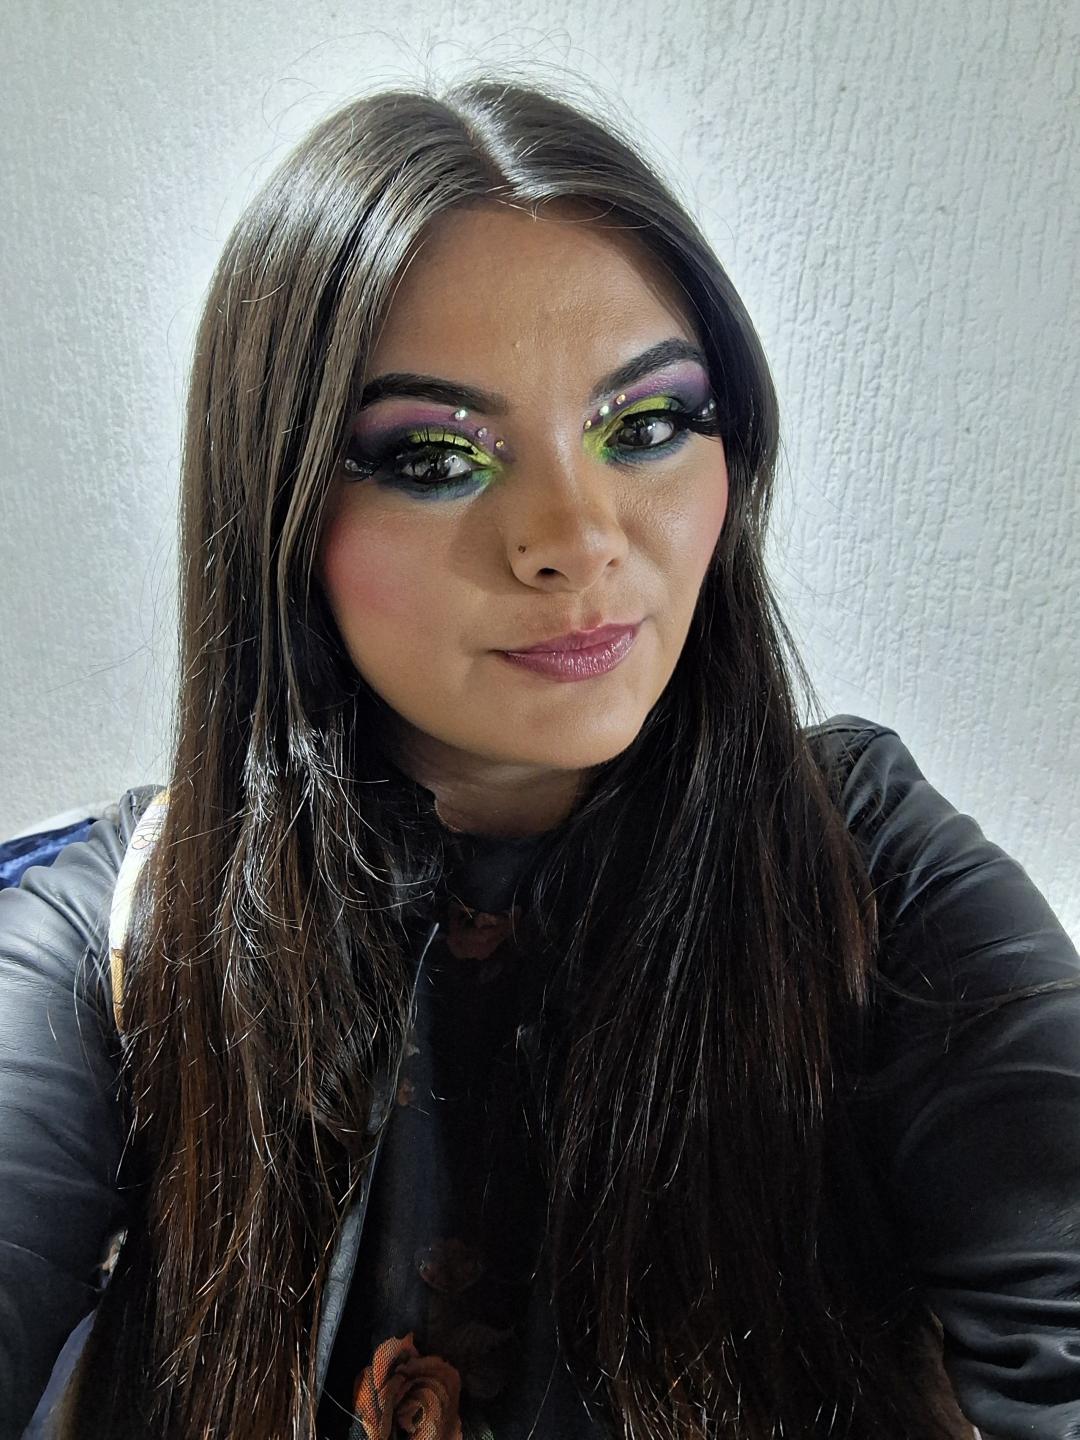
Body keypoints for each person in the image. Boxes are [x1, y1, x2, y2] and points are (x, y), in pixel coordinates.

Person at [1, 74, 1077, 1440]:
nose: (575, 538)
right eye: (434, 456)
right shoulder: (123, 929)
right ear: (280, 507)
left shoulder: (861, 869)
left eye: (647, 427)